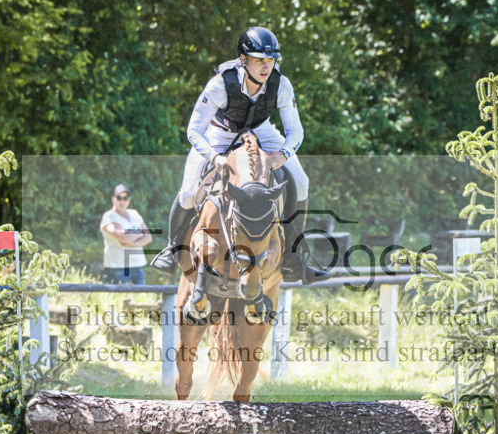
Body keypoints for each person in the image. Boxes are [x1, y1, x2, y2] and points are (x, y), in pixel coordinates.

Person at [149, 26, 329, 284]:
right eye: (259, 60)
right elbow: (194, 130)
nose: (266, 67)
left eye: (270, 60)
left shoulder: (281, 85)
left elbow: (295, 130)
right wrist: (214, 157)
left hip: (261, 131)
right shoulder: (220, 85)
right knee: (189, 192)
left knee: (301, 181)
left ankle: (292, 257)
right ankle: (171, 247)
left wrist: (284, 154)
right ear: (243, 60)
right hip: (219, 135)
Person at [100, 183, 151, 284]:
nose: (122, 201)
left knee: (141, 299)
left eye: (125, 198)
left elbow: (149, 237)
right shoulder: (109, 216)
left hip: (137, 265)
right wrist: (140, 233)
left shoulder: (134, 214)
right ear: (113, 199)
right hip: (118, 267)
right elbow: (122, 237)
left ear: (129, 199)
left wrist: (133, 243)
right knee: (122, 299)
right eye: (119, 198)